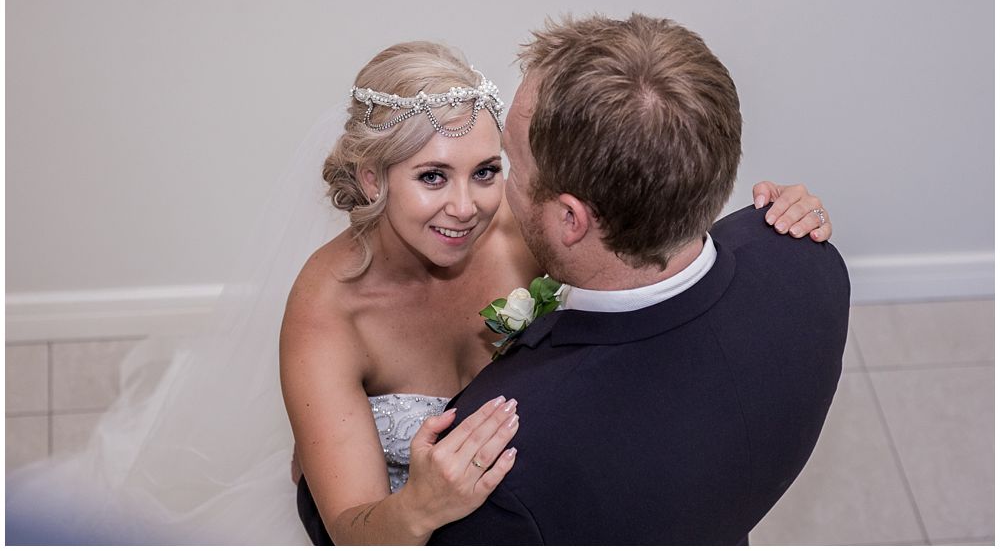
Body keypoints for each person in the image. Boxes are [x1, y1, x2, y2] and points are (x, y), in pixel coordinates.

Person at [287, 41, 835, 545]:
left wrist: (764, 222)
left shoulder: (526, 231)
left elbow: (641, 231)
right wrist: (416, 509)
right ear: (372, 179)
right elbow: (346, 529)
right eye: (432, 177)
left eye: (486, 171)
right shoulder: (328, 311)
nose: (466, 207)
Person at [429, 15, 850, 545]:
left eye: (512, 164)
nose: (500, 187)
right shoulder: (809, 261)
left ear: (570, 219)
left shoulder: (503, 461)